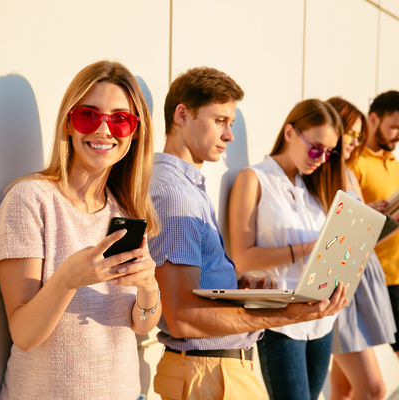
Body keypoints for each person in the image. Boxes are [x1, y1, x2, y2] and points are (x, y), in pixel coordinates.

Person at [148, 67, 348, 400]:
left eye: (231, 123)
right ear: (182, 114)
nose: (230, 136)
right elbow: (181, 315)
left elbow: (189, 291)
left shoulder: (186, 187)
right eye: (220, 121)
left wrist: (237, 287)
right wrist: (285, 313)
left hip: (214, 371)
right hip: (210, 374)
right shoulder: (175, 195)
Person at [0, 60, 161, 400]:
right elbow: (24, 334)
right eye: (89, 115)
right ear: (69, 123)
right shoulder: (30, 199)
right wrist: (67, 279)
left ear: (135, 132)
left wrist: (149, 287)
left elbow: (141, 325)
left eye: (120, 119)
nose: (104, 130)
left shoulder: (127, 210)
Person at [228, 99, 346, 400]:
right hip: (280, 319)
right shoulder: (253, 179)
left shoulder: (313, 188)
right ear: (290, 132)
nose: (321, 158)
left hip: (321, 318)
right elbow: (242, 257)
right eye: (316, 147)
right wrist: (310, 248)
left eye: (329, 152)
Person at [327, 97, 396, 400]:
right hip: (342, 284)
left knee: (344, 389)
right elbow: (332, 235)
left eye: (357, 135)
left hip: (361, 277)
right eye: (350, 134)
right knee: (374, 389)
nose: (355, 141)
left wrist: (378, 218)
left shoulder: (348, 171)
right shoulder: (332, 171)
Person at [352, 90, 399, 358]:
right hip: (381, 280)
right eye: (393, 126)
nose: (398, 134)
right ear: (373, 119)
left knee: (346, 387)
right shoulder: (354, 163)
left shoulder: (396, 165)